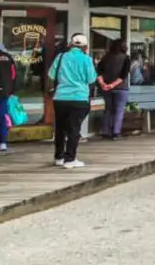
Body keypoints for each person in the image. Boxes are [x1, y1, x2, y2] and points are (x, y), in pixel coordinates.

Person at [48, 34, 97, 168]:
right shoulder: (87, 59)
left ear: (70, 45)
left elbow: (51, 74)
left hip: (60, 97)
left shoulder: (61, 57)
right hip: (79, 97)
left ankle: (59, 157)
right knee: (74, 129)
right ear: (85, 47)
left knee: (60, 128)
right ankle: (70, 159)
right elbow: (91, 79)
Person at [97, 39, 131, 140]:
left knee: (108, 109)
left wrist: (103, 84)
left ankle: (105, 131)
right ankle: (116, 132)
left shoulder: (106, 57)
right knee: (119, 110)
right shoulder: (126, 58)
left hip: (106, 88)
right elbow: (123, 75)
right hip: (120, 88)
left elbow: (98, 71)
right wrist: (113, 85)